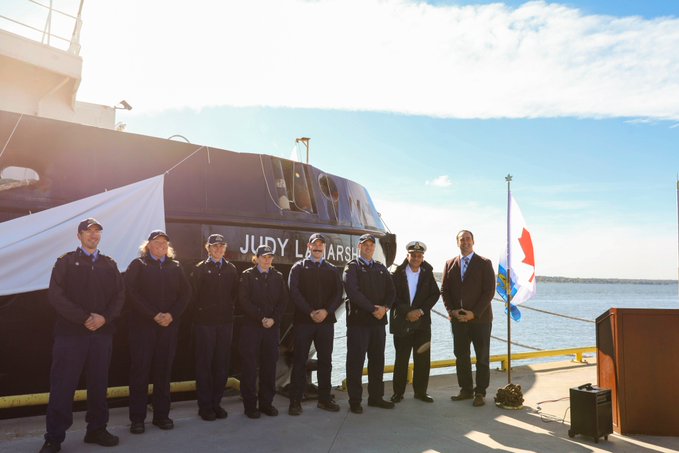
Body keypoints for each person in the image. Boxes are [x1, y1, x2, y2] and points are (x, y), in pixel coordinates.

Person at [40, 218, 125, 453]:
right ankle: (54, 438)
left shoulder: (110, 264)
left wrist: (104, 318)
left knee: (99, 384)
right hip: (70, 335)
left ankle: (96, 429)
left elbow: (119, 296)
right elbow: (56, 296)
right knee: (63, 386)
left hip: (102, 334)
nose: (93, 235)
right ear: (79, 236)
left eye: (97, 231)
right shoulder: (66, 262)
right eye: (88, 231)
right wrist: (84, 317)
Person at [125, 230, 191, 433]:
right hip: (143, 328)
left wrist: (172, 314)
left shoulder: (175, 266)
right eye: (157, 242)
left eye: (164, 242)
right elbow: (130, 293)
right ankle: (137, 419)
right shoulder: (138, 265)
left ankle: (162, 416)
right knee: (140, 372)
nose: (161, 245)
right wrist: (153, 314)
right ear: (149, 245)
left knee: (163, 373)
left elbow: (186, 293)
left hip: (168, 328)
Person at [287, 233, 343, 416]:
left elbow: (338, 294)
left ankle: (324, 399)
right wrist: (310, 311)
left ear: (324, 247)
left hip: (326, 323)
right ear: (309, 246)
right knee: (299, 361)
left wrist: (326, 311)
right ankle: (295, 401)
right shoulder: (298, 268)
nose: (318, 247)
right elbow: (294, 292)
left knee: (326, 361)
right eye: (315, 244)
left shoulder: (332, 270)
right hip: (304, 322)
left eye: (321, 244)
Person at [441, 230, 495, 407]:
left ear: (473, 241)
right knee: (461, 356)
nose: (465, 242)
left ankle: (480, 392)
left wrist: (475, 313)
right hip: (458, 320)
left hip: (480, 320)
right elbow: (445, 291)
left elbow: (489, 292)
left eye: (468, 239)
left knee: (482, 357)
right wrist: (452, 311)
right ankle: (466, 389)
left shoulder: (484, 263)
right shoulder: (450, 264)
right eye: (461, 239)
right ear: (457, 242)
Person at [343, 233, 396, 414]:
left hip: (378, 324)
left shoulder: (381, 268)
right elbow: (353, 292)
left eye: (371, 245)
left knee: (377, 361)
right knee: (356, 362)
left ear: (374, 248)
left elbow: (392, 291)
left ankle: (376, 397)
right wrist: (373, 309)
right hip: (359, 323)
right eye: (365, 245)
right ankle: (355, 400)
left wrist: (385, 308)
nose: (368, 248)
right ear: (359, 247)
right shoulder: (352, 268)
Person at [190, 234, 238, 421]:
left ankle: (216, 403)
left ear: (225, 248)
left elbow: (234, 294)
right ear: (207, 248)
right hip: (205, 325)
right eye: (215, 246)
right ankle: (205, 406)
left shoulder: (231, 269)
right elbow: (193, 297)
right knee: (204, 366)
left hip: (224, 324)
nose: (218, 249)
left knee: (221, 365)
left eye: (221, 246)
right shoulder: (200, 270)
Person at [238, 245, 289, 419]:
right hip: (252, 328)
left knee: (269, 366)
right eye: (264, 257)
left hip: (271, 329)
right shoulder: (247, 276)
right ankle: (250, 406)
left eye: (269, 257)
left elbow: (283, 302)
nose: (267, 260)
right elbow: (243, 301)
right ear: (257, 258)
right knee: (250, 368)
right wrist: (261, 318)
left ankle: (267, 403)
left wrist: (273, 319)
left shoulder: (278, 276)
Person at [389, 241, 440, 404]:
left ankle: (420, 392)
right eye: (413, 255)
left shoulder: (427, 273)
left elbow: (435, 294)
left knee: (423, 360)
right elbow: (392, 296)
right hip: (403, 322)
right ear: (407, 256)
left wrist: (420, 311)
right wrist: (407, 312)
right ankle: (398, 393)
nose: (416, 258)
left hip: (422, 323)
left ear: (422, 257)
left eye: (419, 256)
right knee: (401, 359)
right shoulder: (397, 273)